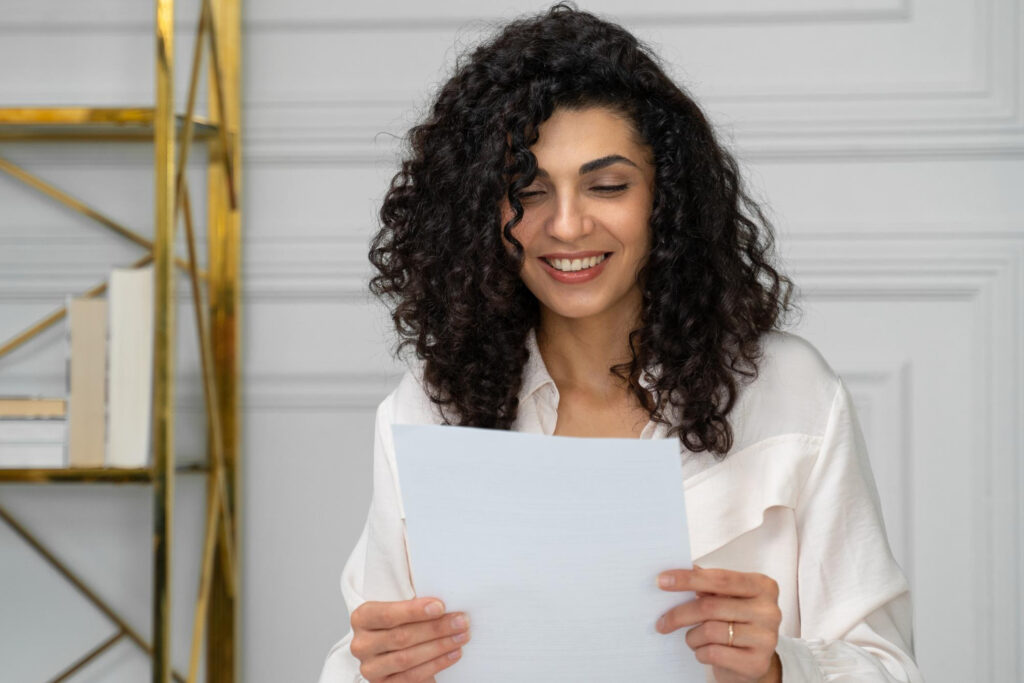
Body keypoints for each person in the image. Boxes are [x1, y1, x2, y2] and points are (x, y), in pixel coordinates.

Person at [318, 3, 924, 682]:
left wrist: (779, 666)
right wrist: (377, 668)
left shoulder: (790, 393)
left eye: (607, 185)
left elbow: (888, 668)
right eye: (527, 191)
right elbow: (358, 658)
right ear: (480, 212)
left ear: (665, 200)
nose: (568, 224)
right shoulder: (426, 409)